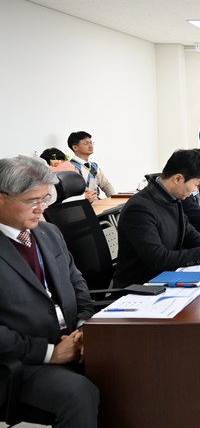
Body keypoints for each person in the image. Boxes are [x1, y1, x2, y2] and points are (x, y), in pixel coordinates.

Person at [0, 155, 99, 427]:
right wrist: (49, 352)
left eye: (45, 199)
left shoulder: (49, 232)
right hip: (19, 362)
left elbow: (77, 284)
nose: (41, 209)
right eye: (33, 201)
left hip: (71, 342)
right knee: (78, 394)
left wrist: (83, 328)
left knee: (134, 368)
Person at [112, 149, 200, 288]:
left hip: (167, 277)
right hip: (141, 288)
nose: (195, 190)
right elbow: (158, 259)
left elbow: (188, 233)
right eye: (195, 184)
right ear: (178, 179)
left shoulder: (172, 198)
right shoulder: (139, 209)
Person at [67, 131, 116, 201]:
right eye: (86, 143)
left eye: (91, 143)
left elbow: (106, 185)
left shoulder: (94, 166)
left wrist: (115, 200)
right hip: (85, 204)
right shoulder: (71, 167)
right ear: (75, 147)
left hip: (98, 202)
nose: (90, 146)